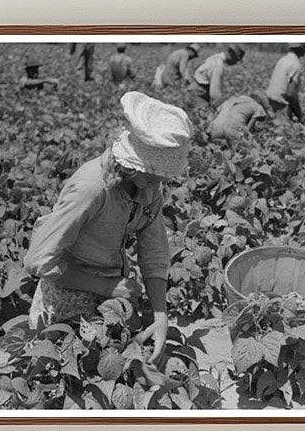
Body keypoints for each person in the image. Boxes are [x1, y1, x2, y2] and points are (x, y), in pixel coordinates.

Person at [24, 91, 193, 360]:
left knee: (115, 360)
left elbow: (154, 252)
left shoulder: (148, 187)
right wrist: (106, 287)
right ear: (135, 163)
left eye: (163, 174)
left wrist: (160, 317)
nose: (160, 181)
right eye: (155, 173)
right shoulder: (92, 188)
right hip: (64, 293)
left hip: (112, 291)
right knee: (62, 366)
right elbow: (38, 261)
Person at [207, 90, 272, 141]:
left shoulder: (232, 99)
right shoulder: (257, 106)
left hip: (214, 128)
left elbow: (215, 114)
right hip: (233, 130)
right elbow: (248, 130)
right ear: (259, 101)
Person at [266, 43, 305, 122]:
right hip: (281, 105)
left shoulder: (282, 59)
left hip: (269, 102)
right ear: (301, 48)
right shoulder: (296, 64)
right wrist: (299, 115)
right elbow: (290, 94)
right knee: (284, 131)